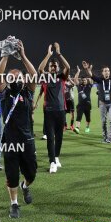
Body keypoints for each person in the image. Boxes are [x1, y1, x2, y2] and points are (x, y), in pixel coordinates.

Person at [0, 40, 38, 219]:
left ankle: (25, 186)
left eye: (18, 77)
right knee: (11, 175)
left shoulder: (27, 92)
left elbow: (34, 74)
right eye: (12, 77)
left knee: (32, 173)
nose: (16, 79)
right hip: (11, 141)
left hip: (27, 140)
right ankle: (14, 203)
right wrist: (5, 54)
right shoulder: (5, 94)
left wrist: (23, 56)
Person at [37, 43, 70, 173]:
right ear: (49, 68)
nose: (53, 67)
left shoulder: (62, 77)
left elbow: (68, 66)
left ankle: (56, 157)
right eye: (51, 65)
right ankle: (52, 162)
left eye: (55, 66)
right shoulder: (45, 76)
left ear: (57, 68)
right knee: (50, 137)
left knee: (59, 137)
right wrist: (49, 55)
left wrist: (59, 53)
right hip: (49, 112)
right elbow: (40, 69)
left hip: (61, 111)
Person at [73, 66, 93, 134]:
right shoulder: (79, 86)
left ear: (87, 81)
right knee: (79, 116)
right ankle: (77, 128)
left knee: (88, 118)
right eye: (83, 80)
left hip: (87, 104)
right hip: (80, 105)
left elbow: (91, 78)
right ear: (81, 80)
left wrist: (89, 70)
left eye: (85, 80)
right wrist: (78, 71)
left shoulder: (89, 86)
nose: (84, 81)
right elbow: (75, 79)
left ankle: (87, 127)